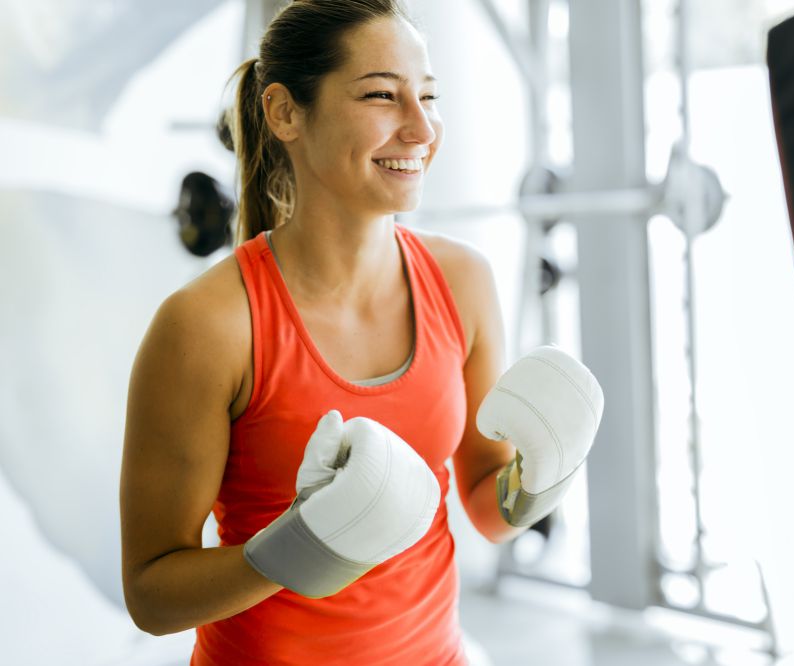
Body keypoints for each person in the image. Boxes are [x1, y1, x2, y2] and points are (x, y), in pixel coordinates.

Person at [119, 1, 603, 664]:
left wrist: (544, 474)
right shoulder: (208, 326)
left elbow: (488, 509)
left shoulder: (462, 281)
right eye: (382, 95)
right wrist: (296, 547)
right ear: (285, 112)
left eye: (429, 96)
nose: (422, 127)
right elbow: (151, 596)